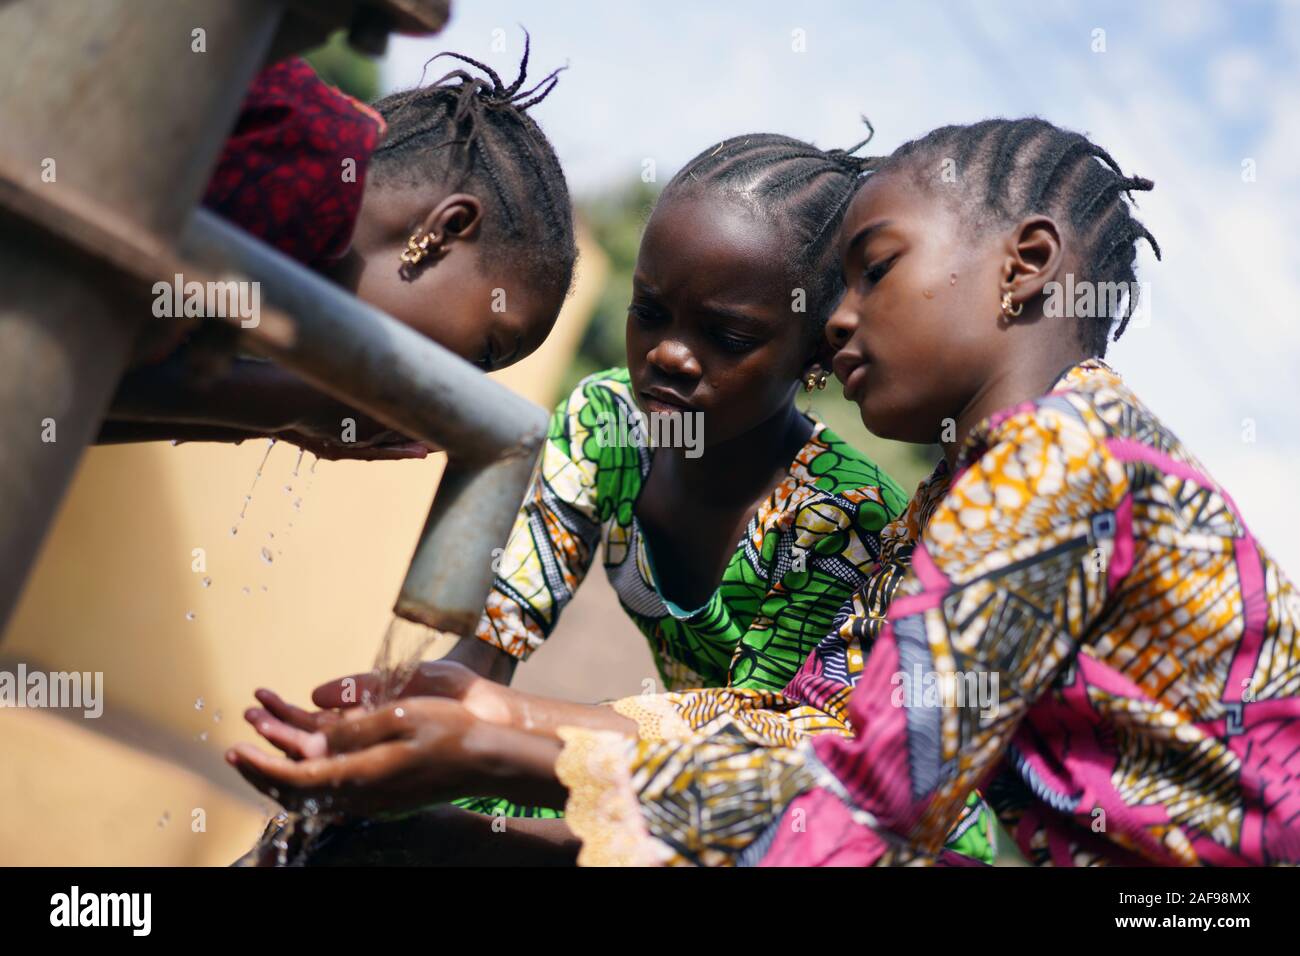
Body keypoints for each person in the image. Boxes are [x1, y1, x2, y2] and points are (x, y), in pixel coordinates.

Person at [102, 36, 577, 459]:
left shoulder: (285, 251)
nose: (462, 383)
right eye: (487, 353)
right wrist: (295, 404)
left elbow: (78, 407)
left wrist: (286, 417)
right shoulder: (301, 147)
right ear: (443, 232)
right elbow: (75, 354)